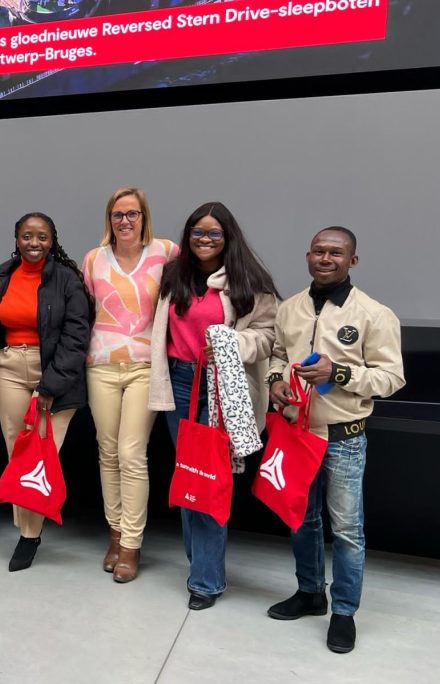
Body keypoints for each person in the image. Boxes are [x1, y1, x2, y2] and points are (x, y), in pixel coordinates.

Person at [264, 226, 405, 654]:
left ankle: (344, 612)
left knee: (346, 530)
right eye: (319, 251)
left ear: (352, 261)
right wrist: (274, 383)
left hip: (344, 437)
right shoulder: (289, 309)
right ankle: (310, 594)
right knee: (300, 519)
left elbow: (391, 378)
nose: (326, 259)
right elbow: (275, 354)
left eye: (336, 253)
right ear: (308, 256)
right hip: (296, 432)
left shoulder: (375, 314)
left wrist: (338, 374)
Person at [149, 201, 279, 610]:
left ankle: (206, 580)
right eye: (197, 233)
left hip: (220, 387)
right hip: (180, 383)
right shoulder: (174, 275)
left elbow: (268, 336)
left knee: (209, 479)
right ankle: (201, 566)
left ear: (228, 238)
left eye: (214, 234)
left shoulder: (248, 280)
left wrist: (230, 342)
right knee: (190, 475)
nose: (205, 240)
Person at [82, 187, 178, 583]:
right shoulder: (93, 259)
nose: (125, 221)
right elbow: (85, 308)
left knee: (131, 452)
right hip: (101, 365)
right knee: (107, 451)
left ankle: (132, 545)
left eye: (133, 214)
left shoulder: (167, 252)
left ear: (144, 217)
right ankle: (116, 533)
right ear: (110, 218)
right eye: (118, 214)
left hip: (145, 366)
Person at [0, 212, 90, 571]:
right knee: (18, 451)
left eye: (42, 237)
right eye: (27, 236)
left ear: (52, 240)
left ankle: (29, 536)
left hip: (54, 374)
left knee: (40, 455)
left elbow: (77, 337)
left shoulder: (67, 279)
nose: (34, 243)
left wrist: (50, 385)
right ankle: (28, 529)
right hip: (10, 369)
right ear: (16, 239)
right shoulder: (0, 276)